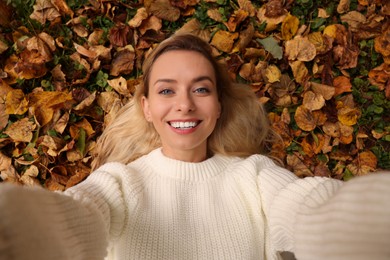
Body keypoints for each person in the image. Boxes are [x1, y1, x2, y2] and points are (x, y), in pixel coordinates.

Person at [0, 33, 389, 260]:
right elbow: (69, 222)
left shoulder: (253, 176)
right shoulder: (119, 182)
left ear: (218, 106)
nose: (184, 104)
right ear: (148, 108)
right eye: (167, 90)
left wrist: (373, 221)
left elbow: (311, 211)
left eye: (200, 89)